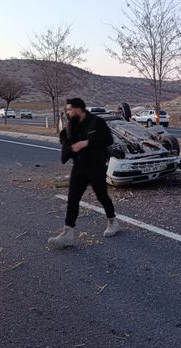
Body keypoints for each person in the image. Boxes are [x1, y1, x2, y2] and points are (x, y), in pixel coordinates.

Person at [48, 98, 119, 247]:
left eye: (70, 109)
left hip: (96, 166)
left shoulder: (96, 121)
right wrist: (67, 146)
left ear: (79, 109)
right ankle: (68, 232)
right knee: (72, 198)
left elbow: (108, 139)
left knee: (102, 196)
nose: (68, 112)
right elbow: (63, 136)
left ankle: (112, 221)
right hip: (79, 166)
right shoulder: (71, 124)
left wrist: (86, 143)